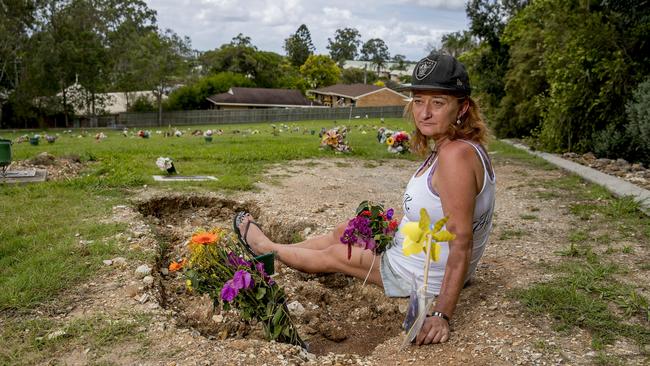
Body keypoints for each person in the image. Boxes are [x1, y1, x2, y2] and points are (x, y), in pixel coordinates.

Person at [234, 52, 495, 346]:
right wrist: (391, 228)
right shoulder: (460, 147)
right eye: (419, 100)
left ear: (462, 108)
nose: (425, 112)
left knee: (335, 254)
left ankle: (266, 248)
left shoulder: (456, 156)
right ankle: (279, 251)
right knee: (343, 232)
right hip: (416, 252)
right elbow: (439, 214)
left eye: (438, 102)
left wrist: (442, 313)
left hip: (417, 274)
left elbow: (462, 239)